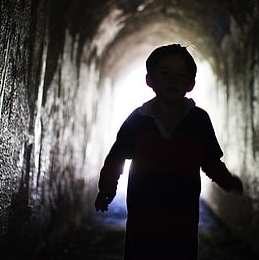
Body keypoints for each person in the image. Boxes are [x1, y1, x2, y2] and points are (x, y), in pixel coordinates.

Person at [95, 43, 243, 260]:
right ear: (150, 80)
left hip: (183, 220)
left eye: (181, 75)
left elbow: (210, 160)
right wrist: (107, 187)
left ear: (191, 84)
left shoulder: (198, 120)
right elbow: (116, 157)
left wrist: (227, 181)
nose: (173, 80)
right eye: (165, 73)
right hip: (142, 219)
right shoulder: (137, 120)